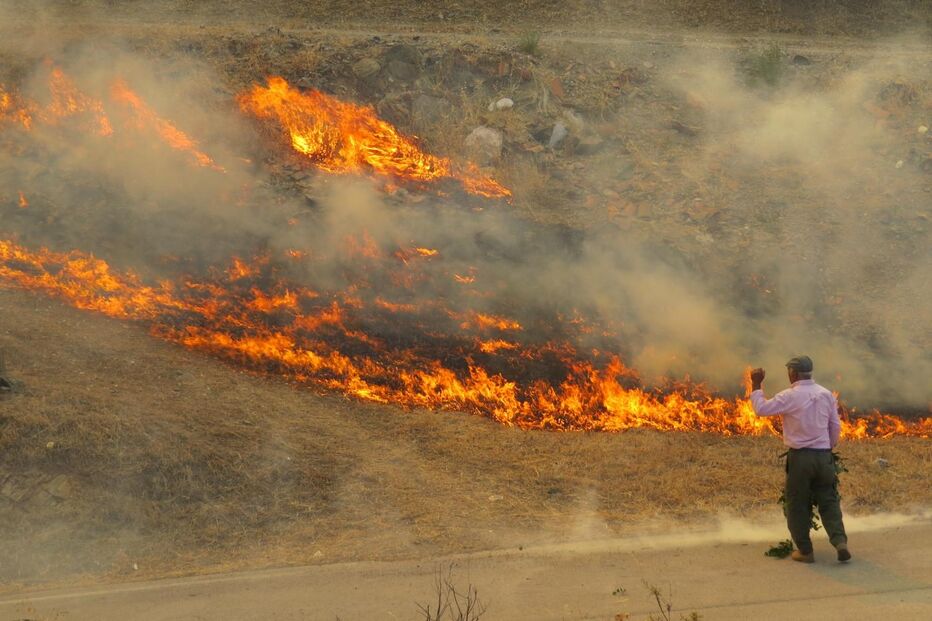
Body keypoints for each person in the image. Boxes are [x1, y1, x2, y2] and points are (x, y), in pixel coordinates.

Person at [749, 355, 851, 563]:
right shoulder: (826, 394)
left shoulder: (790, 396)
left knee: (797, 503)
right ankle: (840, 542)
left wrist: (757, 384)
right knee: (829, 500)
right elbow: (836, 426)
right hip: (824, 457)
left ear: (793, 373)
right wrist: (828, 447)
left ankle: (805, 551)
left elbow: (761, 409)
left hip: (801, 458)